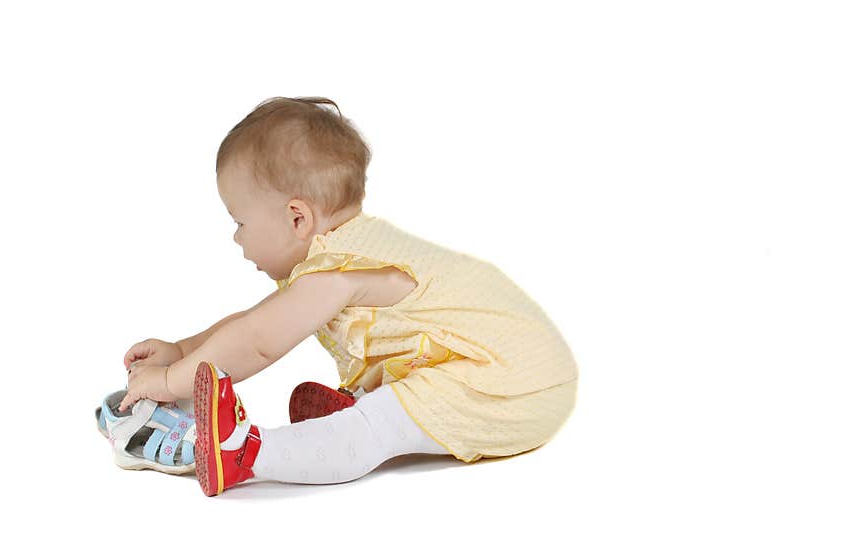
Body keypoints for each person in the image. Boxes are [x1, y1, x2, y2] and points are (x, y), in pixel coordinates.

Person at [120, 96, 579, 496]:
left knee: (377, 428)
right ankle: (363, 400)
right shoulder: (343, 252)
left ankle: (246, 453)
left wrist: (168, 382)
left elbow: (258, 341)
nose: (236, 238)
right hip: (510, 366)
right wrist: (182, 350)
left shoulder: (336, 273)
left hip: (513, 384)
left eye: (240, 222)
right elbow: (256, 320)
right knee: (392, 401)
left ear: (297, 218)